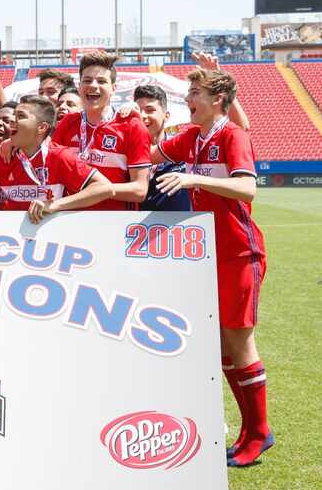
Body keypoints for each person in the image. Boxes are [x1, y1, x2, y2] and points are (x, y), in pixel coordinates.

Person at [151, 68, 272, 467]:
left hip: (239, 252)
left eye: (195, 92)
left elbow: (248, 188)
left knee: (240, 344)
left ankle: (258, 433)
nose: (189, 98)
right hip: (208, 255)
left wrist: (188, 178)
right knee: (221, 349)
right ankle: (249, 431)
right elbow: (146, 160)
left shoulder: (231, 135)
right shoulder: (190, 137)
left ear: (217, 99)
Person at [0, 95, 113, 220]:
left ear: (42, 127)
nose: (12, 120)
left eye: (20, 116)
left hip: (53, 238)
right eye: (14, 115)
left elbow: (105, 188)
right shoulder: (5, 155)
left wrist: (55, 205)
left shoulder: (60, 156)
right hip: (12, 239)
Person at [51, 51, 151, 210]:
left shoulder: (132, 126)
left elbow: (139, 190)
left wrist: (99, 190)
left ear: (113, 88)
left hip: (115, 224)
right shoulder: (67, 123)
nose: (93, 85)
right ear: (79, 86)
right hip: (70, 222)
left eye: (101, 81)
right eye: (87, 80)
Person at [134, 85, 191, 212]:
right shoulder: (124, 150)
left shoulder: (182, 146)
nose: (142, 115)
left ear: (166, 116)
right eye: (138, 111)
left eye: (150, 110)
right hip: (133, 229)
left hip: (178, 229)